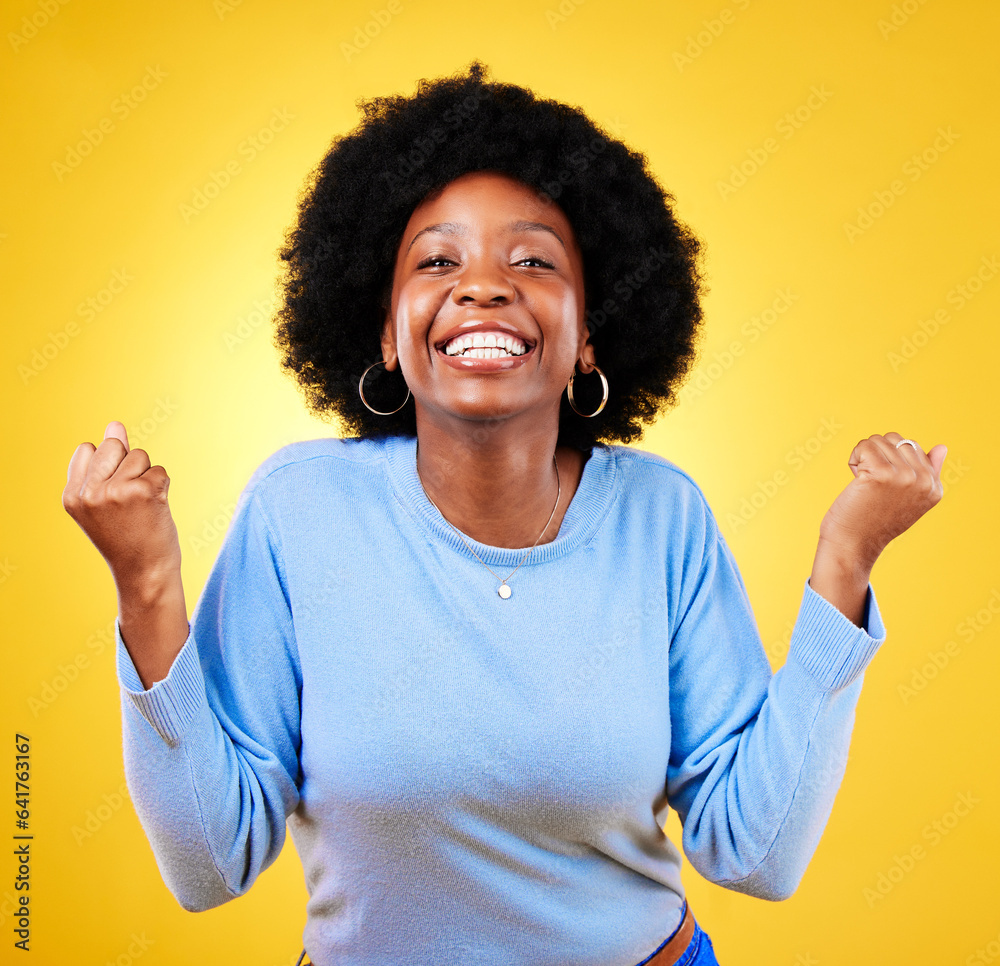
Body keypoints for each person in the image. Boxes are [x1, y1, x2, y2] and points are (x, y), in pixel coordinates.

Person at [62, 62, 946, 966]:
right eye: (437, 260)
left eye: (531, 259)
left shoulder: (661, 518)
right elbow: (210, 863)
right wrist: (146, 582)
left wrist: (848, 559)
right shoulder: (298, 512)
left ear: (589, 333)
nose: (481, 286)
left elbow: (757, 850)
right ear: (385, 331)